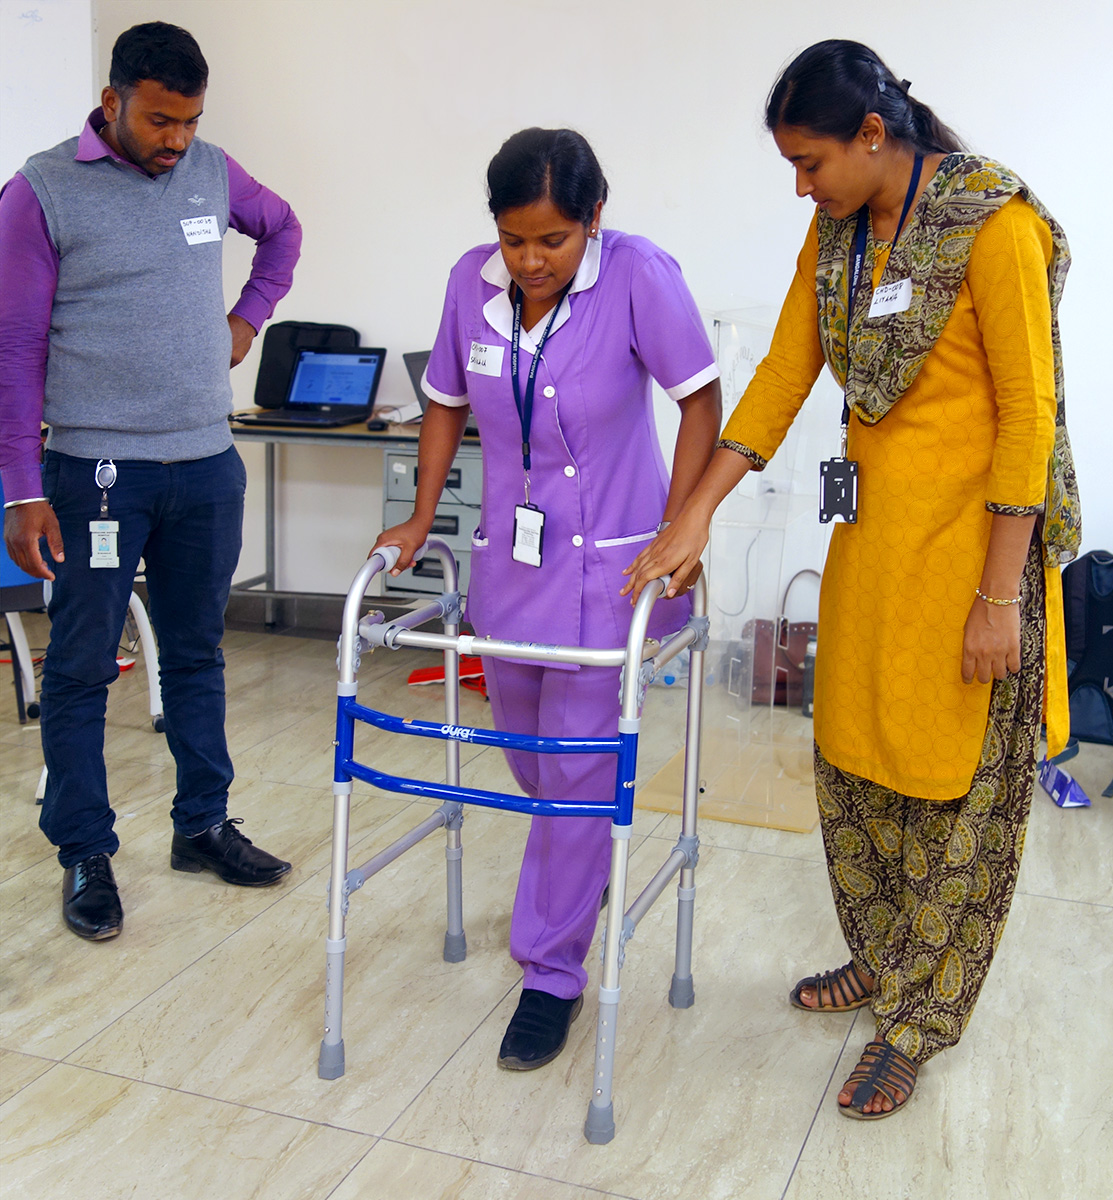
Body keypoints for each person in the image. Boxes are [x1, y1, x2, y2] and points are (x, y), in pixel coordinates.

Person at [624, 40, 1080, 1118]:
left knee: (954, 797)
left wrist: (998, 599)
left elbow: (1030, 419)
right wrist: (694, 511)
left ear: (874, 137)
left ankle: (920, 1020)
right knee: (855, 764)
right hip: (873, 551)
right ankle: (881, 959)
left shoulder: (995, 226)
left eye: (811, 161)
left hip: (975, 564)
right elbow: (785, 372)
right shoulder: (837, 233)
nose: (801, 185)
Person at [372, 128, 720, 1070]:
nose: (530, 261)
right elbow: (444, 400)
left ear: (594, 219)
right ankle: (583, 867)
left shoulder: (639, 276)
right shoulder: (468, 285)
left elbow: (699, 398)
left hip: (616, 570)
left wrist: (682, 525)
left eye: (553, 241)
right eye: (514, 239)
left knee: (572, 771)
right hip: (511, 571)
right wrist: (417, 517)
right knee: (529, 752)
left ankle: (554, 973)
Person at [0, 23, 302, 941]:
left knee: (199, 653)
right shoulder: (41, 191)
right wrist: (19, 488)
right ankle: (85, 849)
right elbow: (12, 349)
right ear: (113, 99)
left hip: (205, 462)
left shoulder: (211, 170)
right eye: (161, 119)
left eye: (191, 120)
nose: (177, 140)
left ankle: (203, 825)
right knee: (86, 666)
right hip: (95, 471)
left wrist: (248, 318)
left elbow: (282, 229)